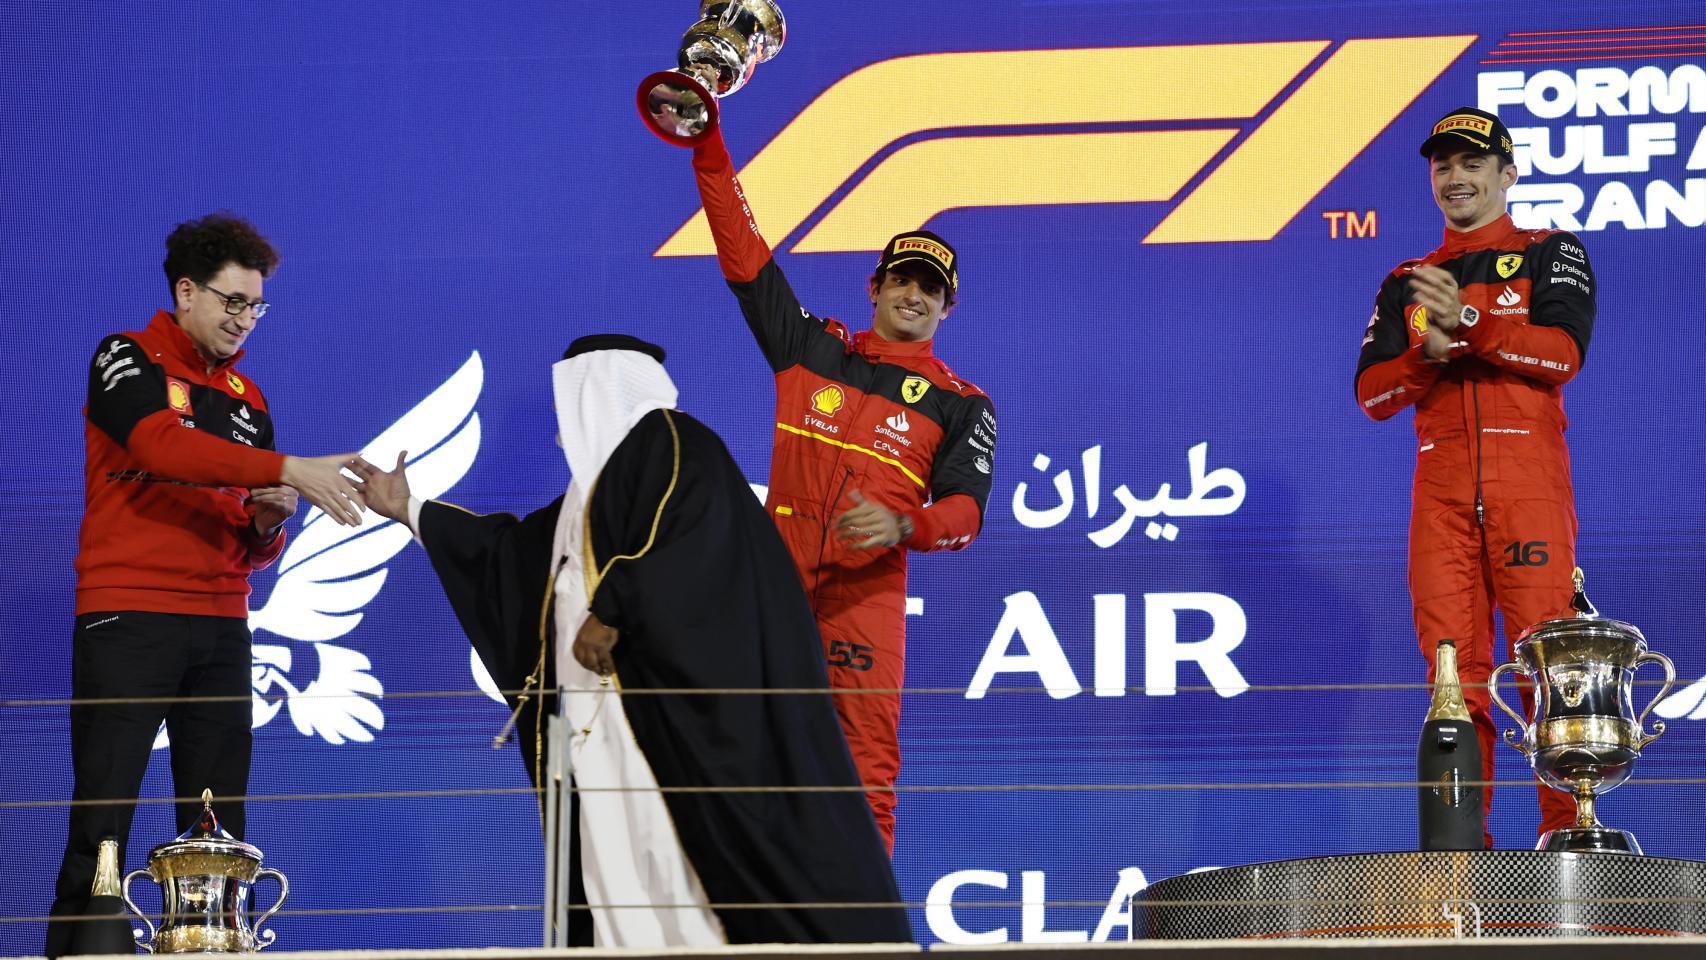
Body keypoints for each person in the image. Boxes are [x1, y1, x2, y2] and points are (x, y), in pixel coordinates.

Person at [349, 334, 910, 947]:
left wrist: (613, 605)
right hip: (597, 736)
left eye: (572, 404)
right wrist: (410, 508)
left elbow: (693, 543)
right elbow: (506, 557)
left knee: (677, 874)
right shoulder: (581, 506)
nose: (563, 427)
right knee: (613, 884)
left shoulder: (673, 443)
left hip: (662, 731)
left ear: (601, 392)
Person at [48, 213, 367, 956]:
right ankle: (82, 950)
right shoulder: (126, 356)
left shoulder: (248, 399)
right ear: (186, 291)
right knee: (104, 814)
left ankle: (214, 946)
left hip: (223, 625)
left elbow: (249, 545)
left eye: (255, 306)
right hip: (127, 617)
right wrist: (287, 469)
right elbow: (158, 444)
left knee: (218, 829)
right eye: (231, 301)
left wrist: (265, 526)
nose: (244, 319)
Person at [681, 122, 997, 853]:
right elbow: (743, 254)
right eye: (903, 278)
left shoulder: (960, 403)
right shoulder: (809, 348)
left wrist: (902, 527)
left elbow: (967, 514)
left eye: (931, 288)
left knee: (863, 781)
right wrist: (707, 146)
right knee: (732, 760)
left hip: (865, 602)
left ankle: (864, 935)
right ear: (876, 285)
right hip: (771, 587)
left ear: (948, 308)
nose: (914, 294)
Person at [1356, 107, 1595, 845]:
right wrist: (1425, 356)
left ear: (1507, 173)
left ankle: (1567, 839)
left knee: (1546, 669)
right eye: (1442, 166)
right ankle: (1461, 859)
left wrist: (1470, 326)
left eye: (1471, 164)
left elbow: (1563, 353)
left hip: (1529, 487)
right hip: (1441, 496)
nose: (1455, 177)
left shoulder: (1549, 251)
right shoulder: (1408, 280)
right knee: (1452, 678)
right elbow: (1373, 397)